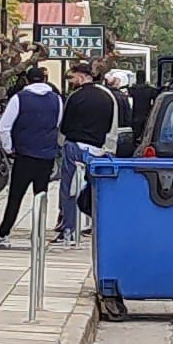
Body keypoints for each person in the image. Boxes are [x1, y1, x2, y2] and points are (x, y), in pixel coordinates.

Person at [0, 67, 63, 249]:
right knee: (41, 195)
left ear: (27, 80)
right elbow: (57, 124)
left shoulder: (19, 99)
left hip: (24, 154)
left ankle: (4, 233)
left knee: (15, 196)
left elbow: (4, 126)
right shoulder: (56, 100)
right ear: (45, 79)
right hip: (46, 155)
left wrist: (9, 148)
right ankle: (38, 234)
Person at [56, 63, 115, 246]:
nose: (71, 82)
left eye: (72, 78)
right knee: (97, 190)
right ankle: (101, 227)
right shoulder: (108, 97)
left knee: (69, 189)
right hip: (98, 149)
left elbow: (64, 125)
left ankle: (69, 230)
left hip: (75, 147)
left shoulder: (75, 97)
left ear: (81, 77)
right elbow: (111, 125)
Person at [105, 72, 135, 157]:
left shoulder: (104, 95)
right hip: (121, 129)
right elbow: (128, 115)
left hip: (108, 131)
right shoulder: (122, 97)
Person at [128, 70, 159, 142]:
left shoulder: (132, 90)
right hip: (147, 117)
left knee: (135, 139)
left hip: (135, 117)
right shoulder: (150, 90)